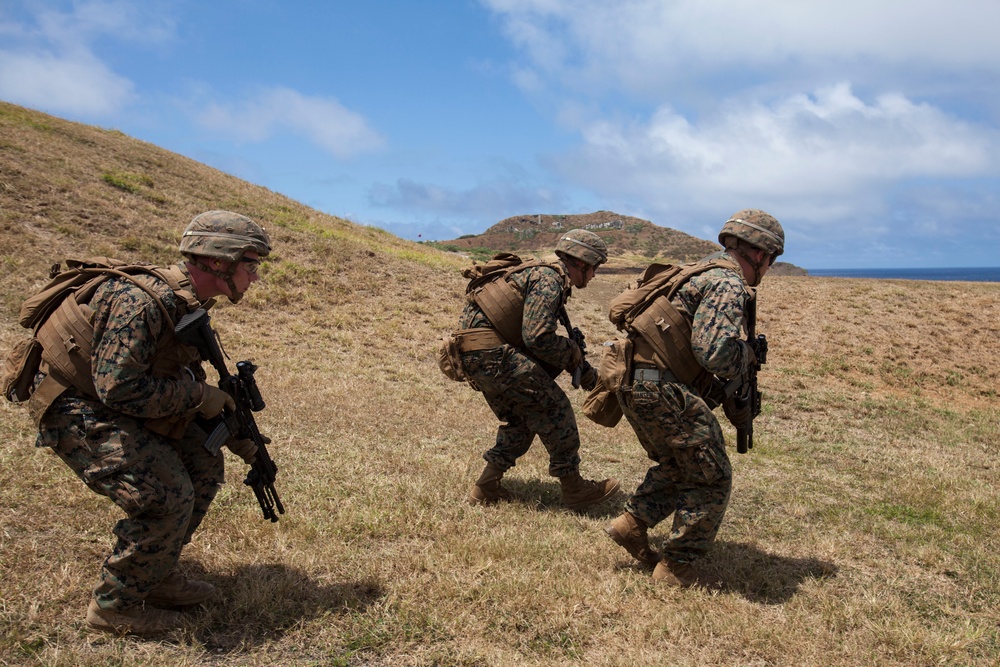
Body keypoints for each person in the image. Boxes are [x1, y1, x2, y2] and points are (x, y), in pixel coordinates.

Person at [30, 210, 271, 635]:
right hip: (75, 406)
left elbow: (166, 371)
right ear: (218, 261)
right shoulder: (140, 301)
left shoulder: (184, 301)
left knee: (203, 463)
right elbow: (119, 388)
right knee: (164, 494)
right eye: (250, 264)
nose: (254, 276)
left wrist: (229, 425)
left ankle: (156, 574)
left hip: (111, 399)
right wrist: (199, 397)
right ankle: (115, 607)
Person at [604, 209, 784, 589]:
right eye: (771, 261)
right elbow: (713, 351)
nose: (767, 270)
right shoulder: (728, 283)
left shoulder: (695, 272)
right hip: (664, 389)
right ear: (760, 255)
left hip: (635, 383)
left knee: (682, 462)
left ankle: (631, 525)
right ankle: (677, 565)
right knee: (712, 478)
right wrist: (747, 356)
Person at [458, 229, 621, 510]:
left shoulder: (534, 273)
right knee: (556, 411)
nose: (594, 276)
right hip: (496, 356)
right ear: (582, 263)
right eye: (595, 269)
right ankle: (575, 488)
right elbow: (538, 337)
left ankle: (485, 487)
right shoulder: (549, 278)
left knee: (523, 418)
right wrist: (570, 353)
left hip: (474, 357)